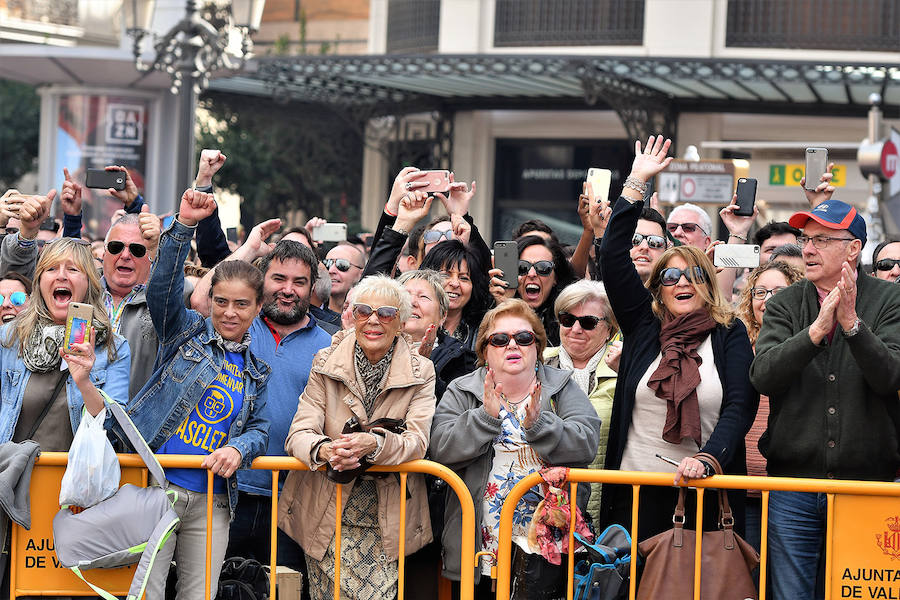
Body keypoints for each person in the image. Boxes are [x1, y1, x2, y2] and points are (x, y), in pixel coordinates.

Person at [597, 136, 757, 543]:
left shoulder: (729, 333)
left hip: (704, 493)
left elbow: (739, 407)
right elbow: (613, 257)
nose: (681, 281)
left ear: (707, 283)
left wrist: (708, 459)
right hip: (635, 495)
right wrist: (635, 181)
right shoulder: (643, 324)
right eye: (669, 275)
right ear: (658, 288)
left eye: (693, 274)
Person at [118, 189, 270, 600]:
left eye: (241, 304)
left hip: (215, 500)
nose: (230, 313)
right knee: (145, 592)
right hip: (158, 485)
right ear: (209, 300)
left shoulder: (257, 370)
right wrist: (183, 226)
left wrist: (240, 448)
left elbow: (260, 428)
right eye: (221, 302)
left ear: (258, 308)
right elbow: (162, 292)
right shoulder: (185, 333)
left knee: (198, 595)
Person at [750, 199, 900, 600]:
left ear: (853, 248)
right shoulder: (784, 303)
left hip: (867, 488)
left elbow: (890, 377)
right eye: (805, 239)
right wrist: (815, 332)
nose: (808, 249)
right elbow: (763, 375)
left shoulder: (890, 301)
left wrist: (852, 325)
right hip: (792, 486)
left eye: (821, 239)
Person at [431, 299, 601, 599]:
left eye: (523, 338)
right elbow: (442, 449)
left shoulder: (561, 386)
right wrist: (485, 417)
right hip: (480, 546)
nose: (513, 345)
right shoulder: (463, 390)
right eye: (500, 339)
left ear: (537, 347)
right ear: (485, 350)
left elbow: (586, 442)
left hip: (546, 546)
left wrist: (540, 425)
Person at [279, 274, 436, 600]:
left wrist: (375, 444)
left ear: (402, 322)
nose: (374, 320)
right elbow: (299, 432)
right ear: (352, 316)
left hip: (385, 520)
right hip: (326, 512)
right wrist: (325, 450)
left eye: (386, 313)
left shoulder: (422, 371)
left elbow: (417, 441)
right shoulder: (325, 361)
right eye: (364, 311)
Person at [0, 237, 130, 451]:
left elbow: (115, 434)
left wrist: (85, 383)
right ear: (40, 282)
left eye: (73, 269)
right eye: (51, 268)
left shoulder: (113, 348)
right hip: (15, 478)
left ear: (88, 282)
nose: (61, 275)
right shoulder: (9, 339)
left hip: (78, 480)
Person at [735, 261, 803, 552]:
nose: (767, 300)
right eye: (760, 292)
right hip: (743, 488)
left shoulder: (810, 345)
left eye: (778, 291)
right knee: (748, 582)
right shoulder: (736, 348)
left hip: (794, 490)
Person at [543, 280, 618, 521]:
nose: (575, 329)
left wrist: (627, 371)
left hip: (606, 507)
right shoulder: (536, 363)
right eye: (567, 320)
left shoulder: (625, 369)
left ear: (610, 329)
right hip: (542, 505)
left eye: (588, 322)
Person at [397, 269, 476, 398]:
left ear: (442, 316)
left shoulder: (458, 359)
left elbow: (447, 412)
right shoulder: (376, 348)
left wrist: (423, 368)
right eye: (405, 295)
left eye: (423, 297)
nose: (412, 302)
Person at [489, 236, 577, 346]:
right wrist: (503, 305)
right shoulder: (490, 307)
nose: (532, 274)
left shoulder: (569, 320)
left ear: (555, 278)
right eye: (522, 267)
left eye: (543, 267)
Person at [420, 240, 491, 350]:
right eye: (445, 275)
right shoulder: (411, 324)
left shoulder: (483, 332)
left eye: (463, 278)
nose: (455, 283)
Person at [323, 242, 365, 313]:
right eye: (327, 263)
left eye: (342, 264)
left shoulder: (368, 319)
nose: (331, 270)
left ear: (360, 274)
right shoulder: (310, 316)